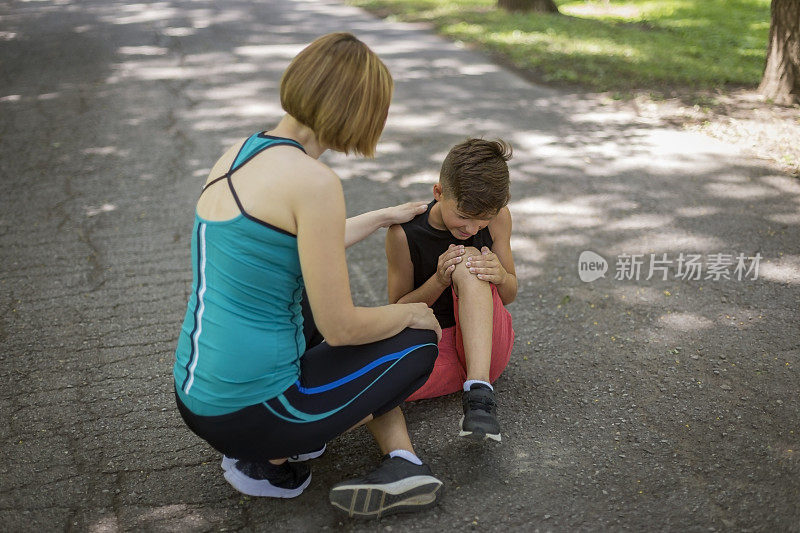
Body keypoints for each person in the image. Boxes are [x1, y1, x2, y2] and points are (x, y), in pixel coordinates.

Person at [172, 32, 444, 519]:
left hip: (197, 396)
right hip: (252, 412)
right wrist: (410, 313)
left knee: (302, 301)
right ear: (357, 112)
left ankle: (277, 447)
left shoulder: (242, 151)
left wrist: (382, 216)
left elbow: (288, 242)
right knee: (418, 341)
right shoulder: (316, 182)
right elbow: (341, 326)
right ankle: (272, 458)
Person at [385, 138, 517, 442]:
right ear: (438, 192)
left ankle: (480, 396)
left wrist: (500, 277)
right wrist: (438, 280)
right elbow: (398, 310)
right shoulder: (403, 234)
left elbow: (509, 294)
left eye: (481, 220)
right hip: (438, 349)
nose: (471, 229)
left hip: (488, 349)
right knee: (368, 378)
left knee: (468, 259)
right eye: (463, 216)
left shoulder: (498, 218)